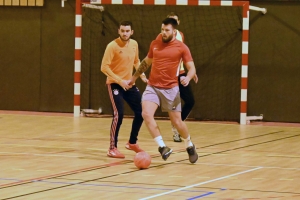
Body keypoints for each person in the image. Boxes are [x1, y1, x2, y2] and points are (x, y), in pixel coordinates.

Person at [128, 18, 198, 164]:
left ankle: (189, 144)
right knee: (146, 114)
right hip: (153, 87)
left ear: (174, 31)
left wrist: (188, 78)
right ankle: (162, 147)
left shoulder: (181, 47)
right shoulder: (155, 44)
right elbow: (145, 63)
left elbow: (192, 68)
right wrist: (134, 78)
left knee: (177, 122)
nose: (164, 33)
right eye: (162, 30)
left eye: (167, 30)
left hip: (171, 89)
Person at [101, 21, 147, 158]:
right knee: (118, 114)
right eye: (122, 31)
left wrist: (142, 75)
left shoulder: (134, 44)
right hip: (115, 84)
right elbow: (104, 67)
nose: (125, 33)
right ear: (118, 31)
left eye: (127, 31)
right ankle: (112, 148)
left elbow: (136, 61)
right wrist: (119, 81)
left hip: (129, 84)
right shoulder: (112, 46)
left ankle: (132, 142)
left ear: (131, 32)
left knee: (142, 112)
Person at [156, 12, 198, 143]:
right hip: (168, 76)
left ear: (177, 24)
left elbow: (182, 54)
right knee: (170, 105)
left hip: (180, 73)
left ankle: (177, 125)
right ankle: (174, 131)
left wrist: (192, 72)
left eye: (173, 21)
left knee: (190, 101)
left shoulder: (181, 36)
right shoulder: (161, 37)